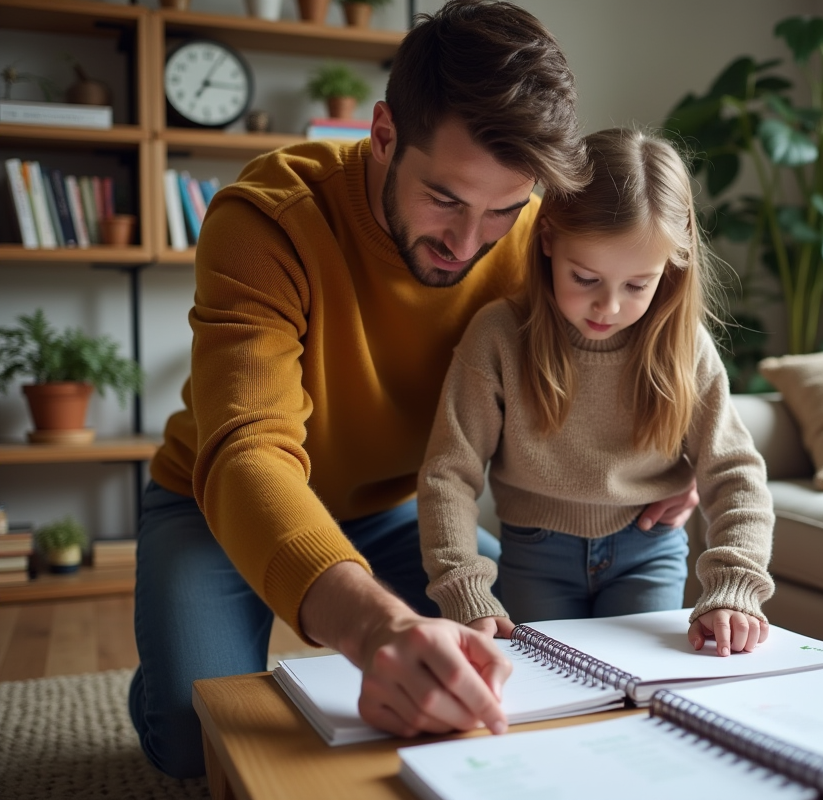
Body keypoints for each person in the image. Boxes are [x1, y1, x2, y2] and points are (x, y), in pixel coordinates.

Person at [130, 2, 698, 779]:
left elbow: (626, 341)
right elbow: (247, 452)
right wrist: (376, 630)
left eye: (505, 208)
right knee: (195, 737)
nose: (470, 244)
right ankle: (170, 655)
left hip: (392, 512)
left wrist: (679, 449)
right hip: (218, 504)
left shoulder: (536, 240)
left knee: (520, 662)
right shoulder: (266, 220)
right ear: (384, 134)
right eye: (445, 200)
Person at [418, 128, 776, 654]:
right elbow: (448, 473)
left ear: (670, 267)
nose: (608, 308)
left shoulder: (684, 346)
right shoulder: (498, 335)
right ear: (547, 241)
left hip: (649, 550)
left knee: (643, 693)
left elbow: (736, 472)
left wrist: (734, 586)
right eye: (584, 278)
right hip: (534, 556)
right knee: (544, 690)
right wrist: (465, 591)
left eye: (637, 285)